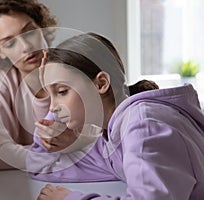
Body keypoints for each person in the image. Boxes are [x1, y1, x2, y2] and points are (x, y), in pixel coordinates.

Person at [26, 33, 204, 199]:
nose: (53, 106)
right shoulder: (110, 139)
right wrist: (52, 118)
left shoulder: (143, 129)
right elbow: (41, 165)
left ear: (101, 84)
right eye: (51, 94)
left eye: (62, 91)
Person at [0, 0, 77, 171]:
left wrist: (23, 154)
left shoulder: (75, 69)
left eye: (29, 32)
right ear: (0, 51)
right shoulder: (1, 79)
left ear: (42, 28)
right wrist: (62, 154)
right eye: (9, 43)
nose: (26, 47)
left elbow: (101, 144)